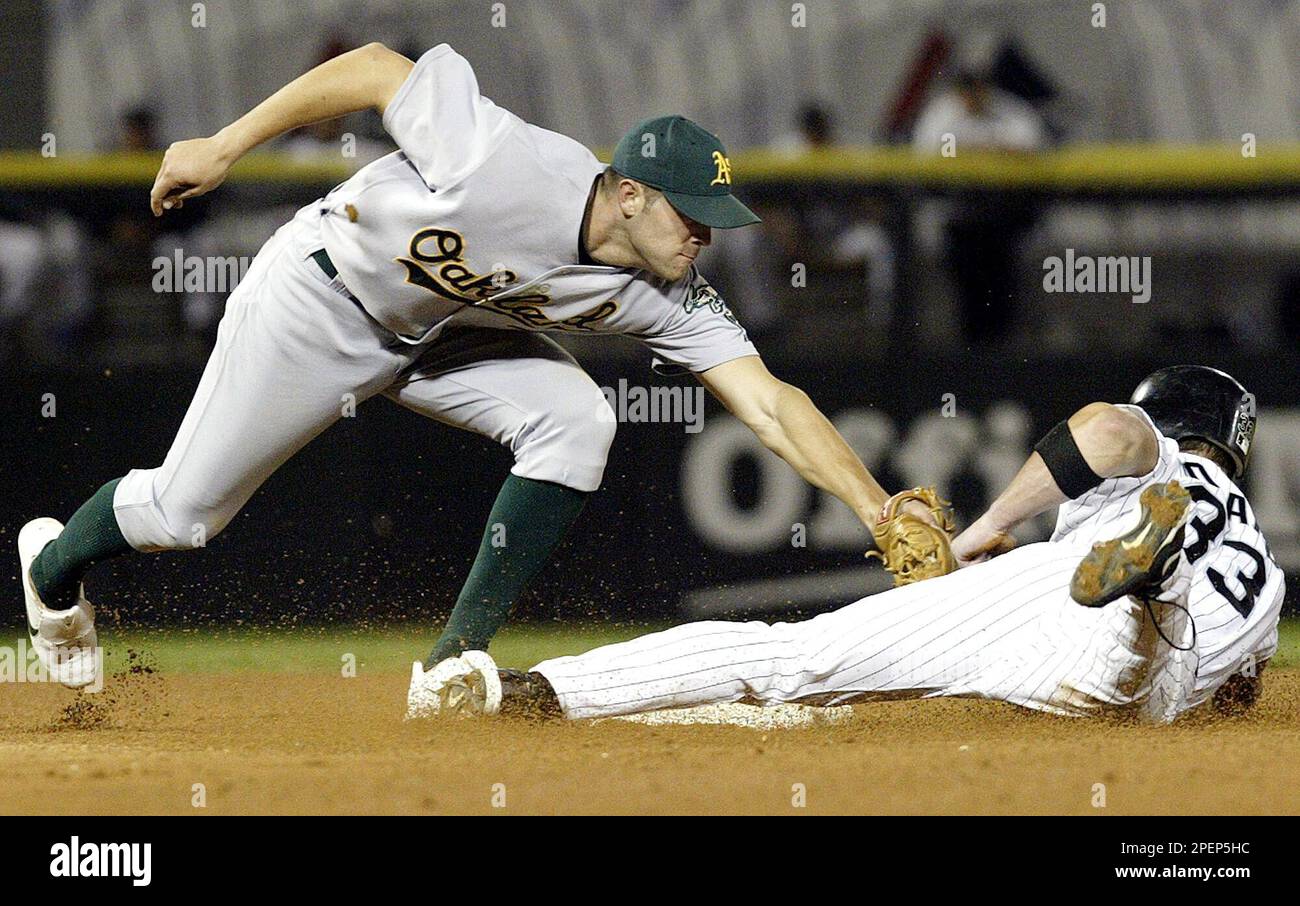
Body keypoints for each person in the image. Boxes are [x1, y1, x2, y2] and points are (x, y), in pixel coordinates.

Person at [17, 43, 905, 704]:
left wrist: (875, 507)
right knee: (183, 515)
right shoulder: (498, 159)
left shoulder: (669, 292)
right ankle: (52, 571)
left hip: (430, 332)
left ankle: (451, 663)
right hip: (318, 298)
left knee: (579, 419)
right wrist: (225, 142)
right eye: (691, 214)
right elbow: (369, 68)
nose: (703, 235)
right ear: (630, 193)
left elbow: (771, 404)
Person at [445, 366, 1282, 726]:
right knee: (1128, 669)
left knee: (794, 660)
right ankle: (1149, 600)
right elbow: (1240, 703)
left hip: (1058, 592)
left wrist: (986, 532)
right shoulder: (1266, 563)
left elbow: (1102, 430)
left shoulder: (1163, 453)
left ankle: (535, 695)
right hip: (1164, 686)